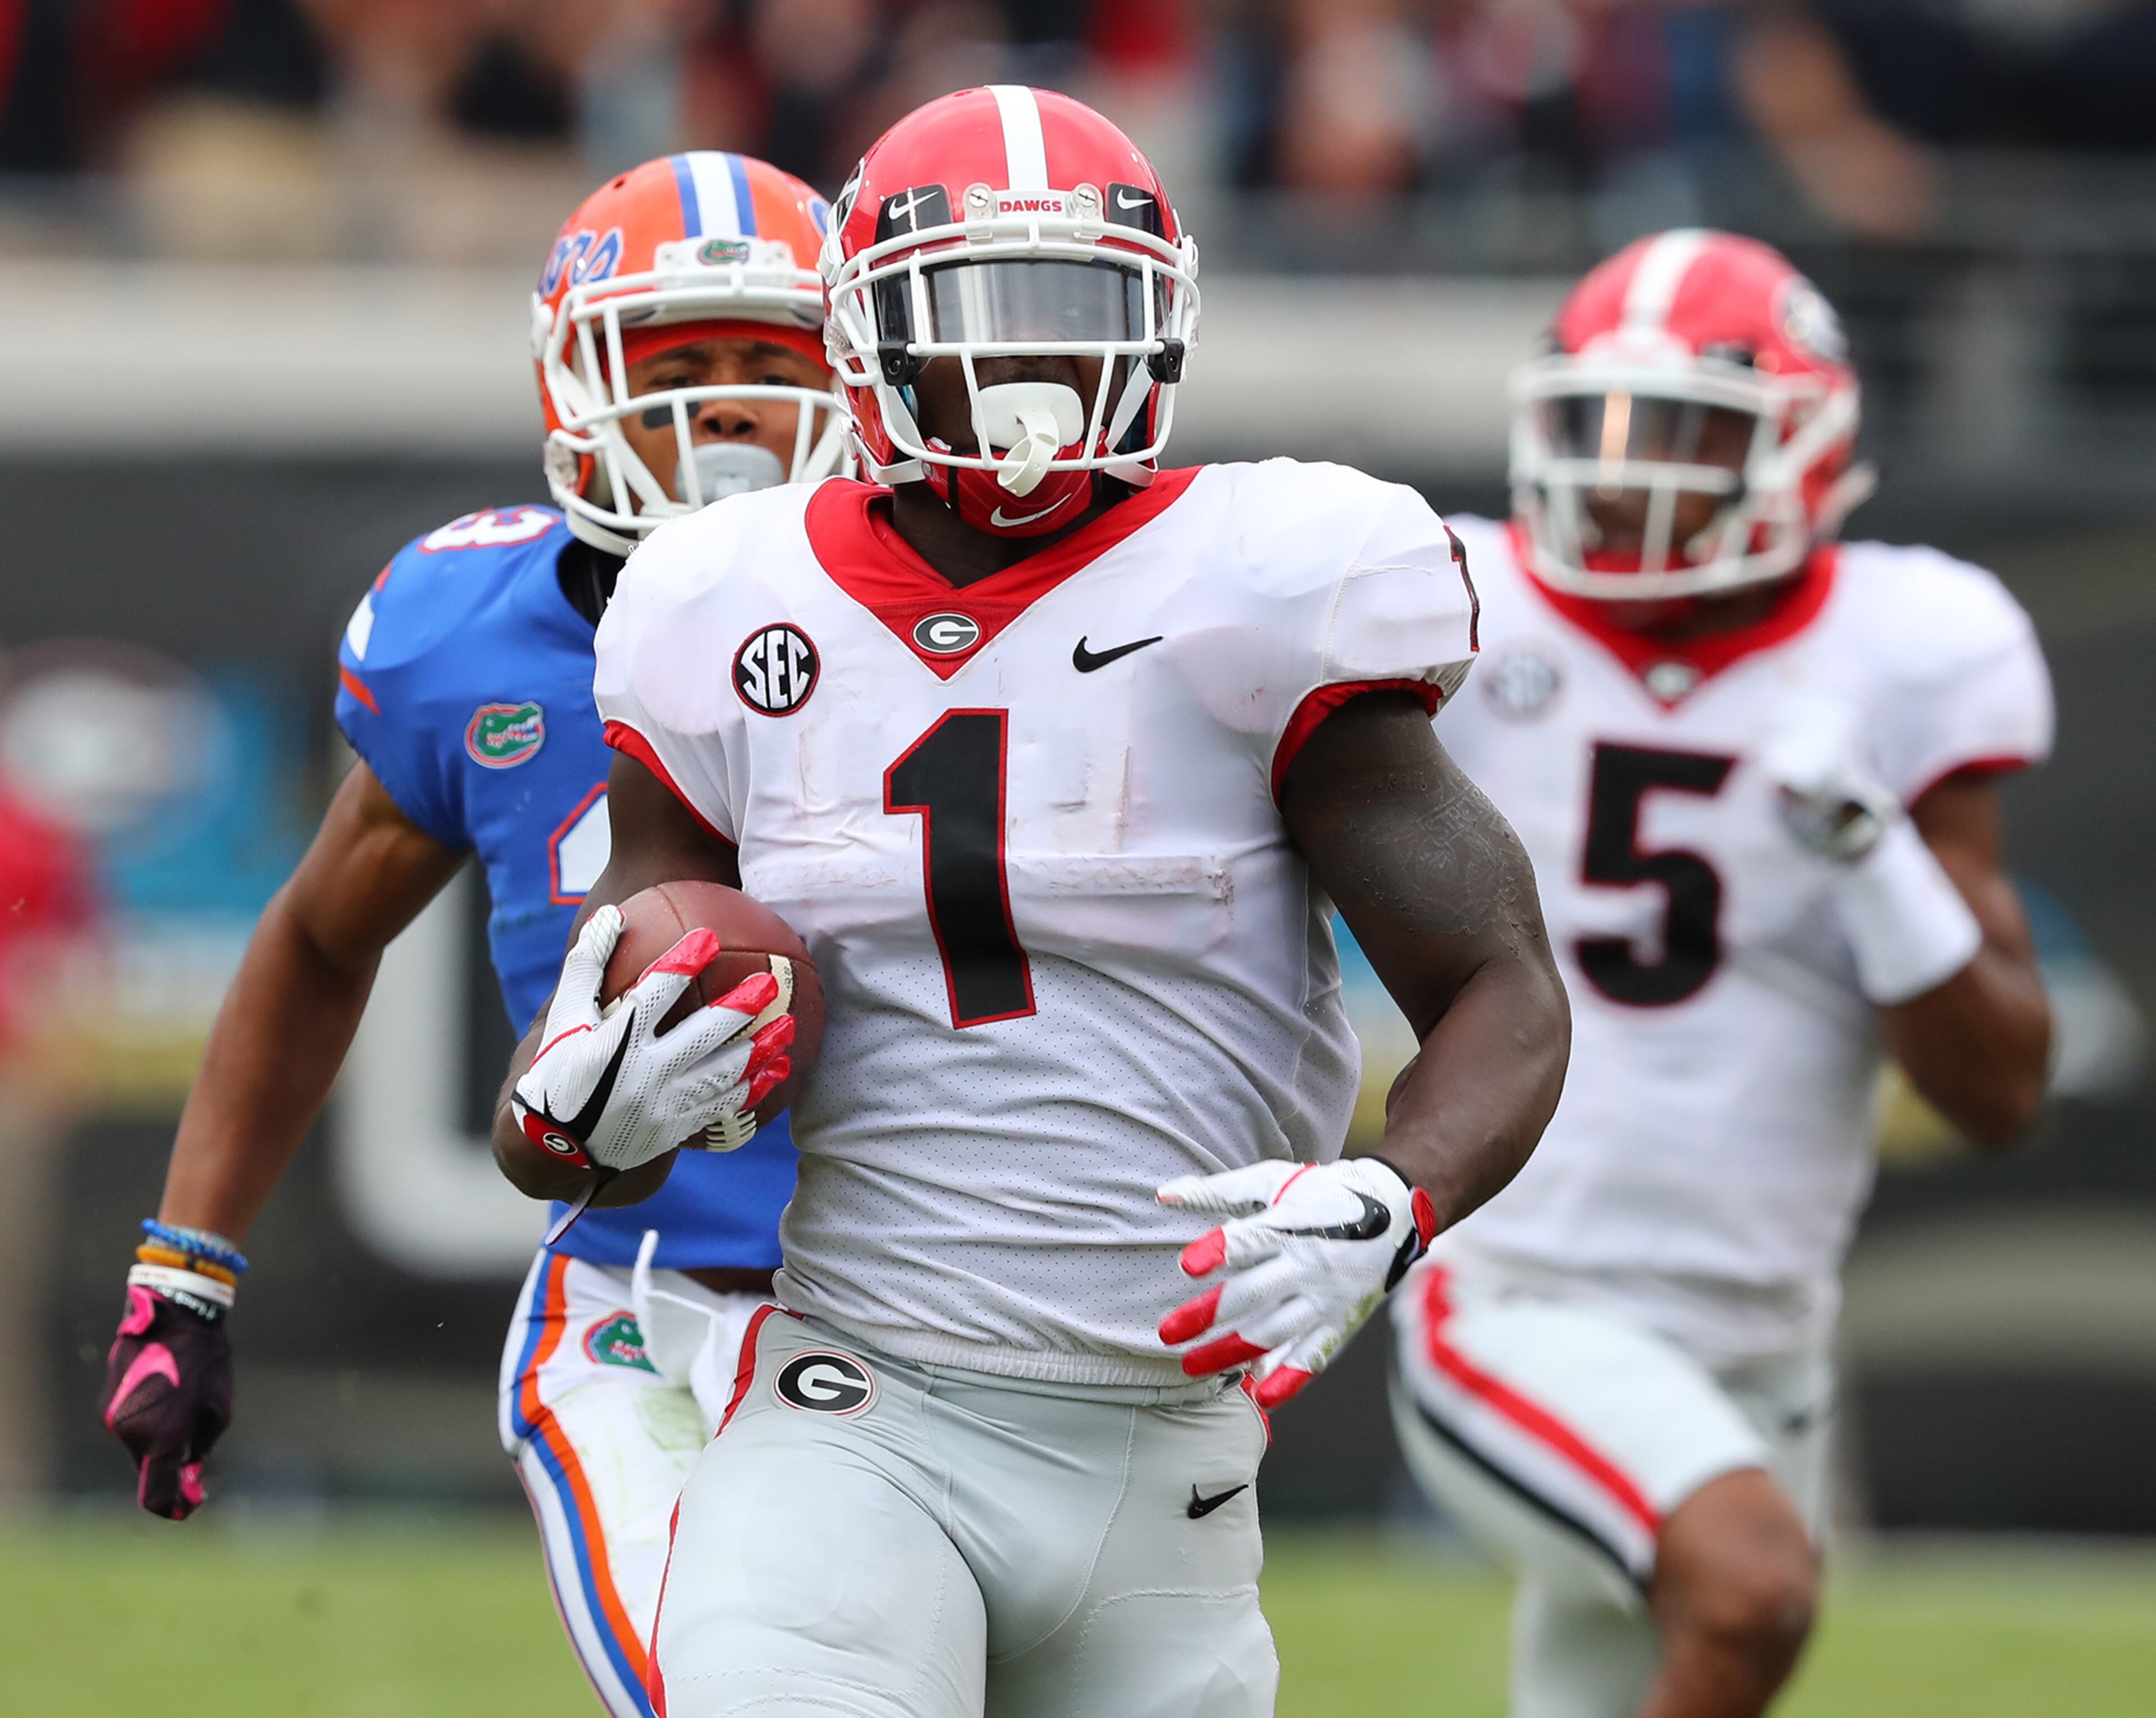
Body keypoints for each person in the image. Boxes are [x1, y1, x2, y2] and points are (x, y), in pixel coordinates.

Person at [492, 84, 1572, 1718]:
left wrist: (1392, 1197)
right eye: (976, 307)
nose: (1031, 358)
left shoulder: (1270, 581)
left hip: (1171, 1464)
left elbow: (1501, 985)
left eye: (1079, 304)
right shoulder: (718, 596)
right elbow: (581, 1107)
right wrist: (584, 1102)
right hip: (859, 1413)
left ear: (1162, 322)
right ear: (869, 332)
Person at [97, 152, 847, 1718]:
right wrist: (185, 1268)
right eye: (678, 369)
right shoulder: (475, 638)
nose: (724, 417)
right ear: (578, 385)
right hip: (646, 1301)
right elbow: (318, 938)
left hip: (944, 1297)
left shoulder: (969, 621)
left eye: (765, 366)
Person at [1388, 229, 2055, 1718]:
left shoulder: (1911, 643)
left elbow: (2001, 1090)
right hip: (1518, 1294)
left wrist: (1871, 851)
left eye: (1686, 433)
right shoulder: (1452, 603)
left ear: (1807, 449)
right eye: (1599, 426)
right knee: (1750, 1593)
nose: (1630, 476)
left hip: (1768, 1338)